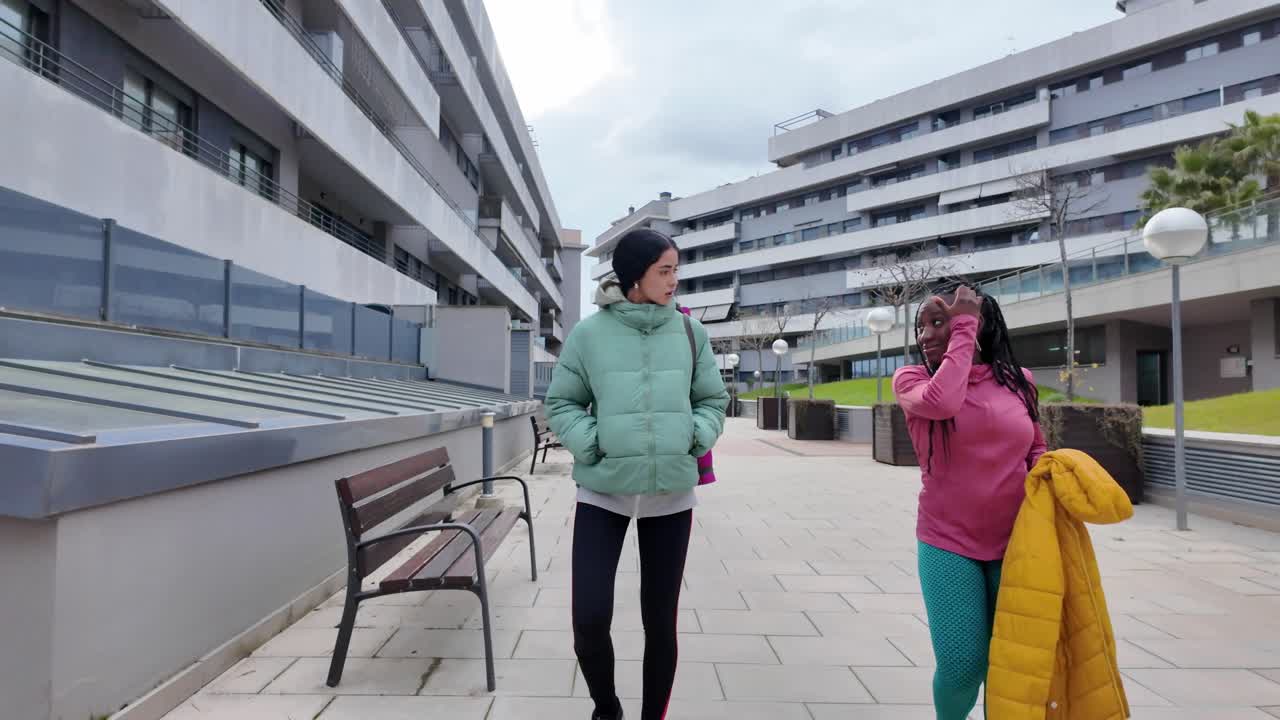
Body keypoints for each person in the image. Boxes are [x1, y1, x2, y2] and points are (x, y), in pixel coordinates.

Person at [545, 228, 729, 720]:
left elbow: (712, 399)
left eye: (676, 270)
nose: (674, 281)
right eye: (664, 271)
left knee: (659, 622)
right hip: (602, 493)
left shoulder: (691, 332)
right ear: (634, 277)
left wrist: (696, 435)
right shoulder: (589, 334)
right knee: (588, 616)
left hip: (670, 496)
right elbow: (561, 402)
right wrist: (593, 442)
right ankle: (607, 708)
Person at [891, 281, 1047, 720]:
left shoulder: (1020, 383)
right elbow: (943, 403)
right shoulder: (911, 380)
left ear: (980, 323)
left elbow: (1035, 447)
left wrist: (1052, 478)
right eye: (921, 326)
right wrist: (961, 330)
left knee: (1012, 667)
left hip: (1018, 541)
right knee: (962, 667)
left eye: (937, 322)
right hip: (947, 542)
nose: (925, 335)